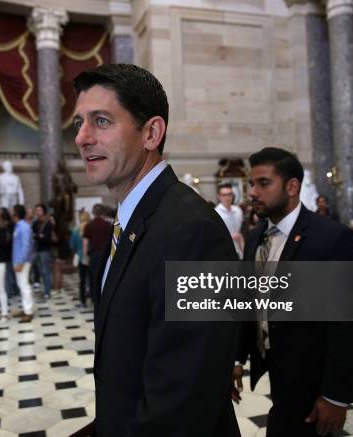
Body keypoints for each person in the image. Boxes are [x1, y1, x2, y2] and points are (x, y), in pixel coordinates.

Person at [72, 64, 240, 436]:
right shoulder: (130, 223)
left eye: (100, 121)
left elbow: (180, 406)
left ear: (151, 132)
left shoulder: (191, 232)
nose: (82, 137)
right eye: (78, 123)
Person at [233, 147, 353, 437]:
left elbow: (350, 320)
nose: (253, 192)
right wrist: (237, 358)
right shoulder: (256, 236)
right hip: (277, 371)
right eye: (251, 184)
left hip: (314, 377)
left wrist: (335, 395)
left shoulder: (333, 238)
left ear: (292, 186)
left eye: (263, 183)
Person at [82, 204, 111, 300]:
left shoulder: (88, 225)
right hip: (106, 255)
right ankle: (105, 298)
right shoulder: (108, 225)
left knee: (94, 277)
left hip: (94, 255)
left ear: (93, 213)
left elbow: (85, 243)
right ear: (103, 212)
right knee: (106, 276)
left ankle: (95, 298)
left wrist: (85, 257)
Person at [12, 204, 34, 323]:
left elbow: (26, 246)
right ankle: (25, 309)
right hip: (18, 260)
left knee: (24, 285)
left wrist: (20, 262)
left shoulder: (24, 227)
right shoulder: (19, 226)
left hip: (23, 261)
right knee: (21, 285)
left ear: (16, 214)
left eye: (13, 212)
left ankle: (29, 312)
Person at [215, 183, 245, 258]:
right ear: (219, 196)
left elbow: (239, 233)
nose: (227, 197)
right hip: (223, 251)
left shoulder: (238, 210)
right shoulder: (216, 213)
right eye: (224, 195)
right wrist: (230, 236)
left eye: (229, 194)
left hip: (238, 249)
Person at [32, 204, 53, 299]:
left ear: (43, 211)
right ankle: (45, 289)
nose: (37, 212)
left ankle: (47, 291)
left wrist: (39, 237)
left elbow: (47, 238)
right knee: (40, 271)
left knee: (46, 271)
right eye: (36, 210)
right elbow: (33, 235)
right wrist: (39, 236)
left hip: (45, 250)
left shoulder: (48, 223)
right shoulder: (35, 223)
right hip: (37, 249)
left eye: (39, 210)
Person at [70, 210, 91, 307]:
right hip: (91, 256)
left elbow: (71, 245)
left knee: (82, 280)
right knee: (92, 279)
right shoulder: (92, 228)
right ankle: (93, 300)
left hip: (80, 257)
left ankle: (83, 302)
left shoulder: (75, 230)